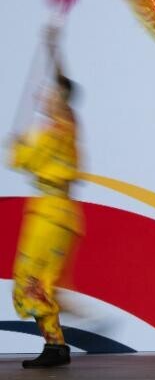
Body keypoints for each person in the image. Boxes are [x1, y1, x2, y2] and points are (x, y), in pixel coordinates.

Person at [7, 27, 81, 368]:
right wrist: (53, 50)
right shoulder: (64, 126)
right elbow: (64, 84)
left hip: (52, 211)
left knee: (32, 280)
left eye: (53, 95)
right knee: (37, 280)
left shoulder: (57, 128)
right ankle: (56, 344)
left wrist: (17, 149)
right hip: (53, 210)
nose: (46, 97)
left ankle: (55, 345)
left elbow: (25, 160)